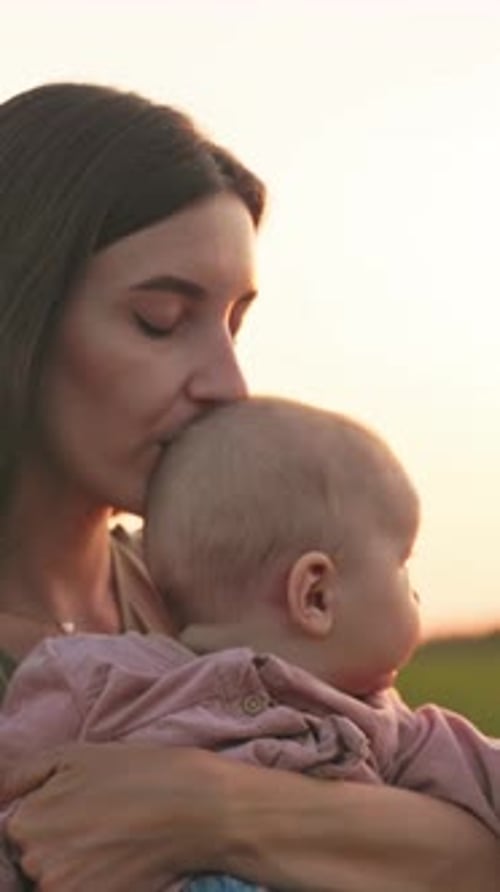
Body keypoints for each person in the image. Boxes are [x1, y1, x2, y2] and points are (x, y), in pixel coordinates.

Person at [0, 82, 498, 892]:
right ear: (20, 317)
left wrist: (216, 808)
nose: (228, 384)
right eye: (161, 320)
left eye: (234, 325)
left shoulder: (221, 584)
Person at [1, 397, 500, 892]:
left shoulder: (395, 728)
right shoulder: (99, 677)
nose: (415, 594)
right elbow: (15, 797)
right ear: (316, 596)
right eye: (402, 566)